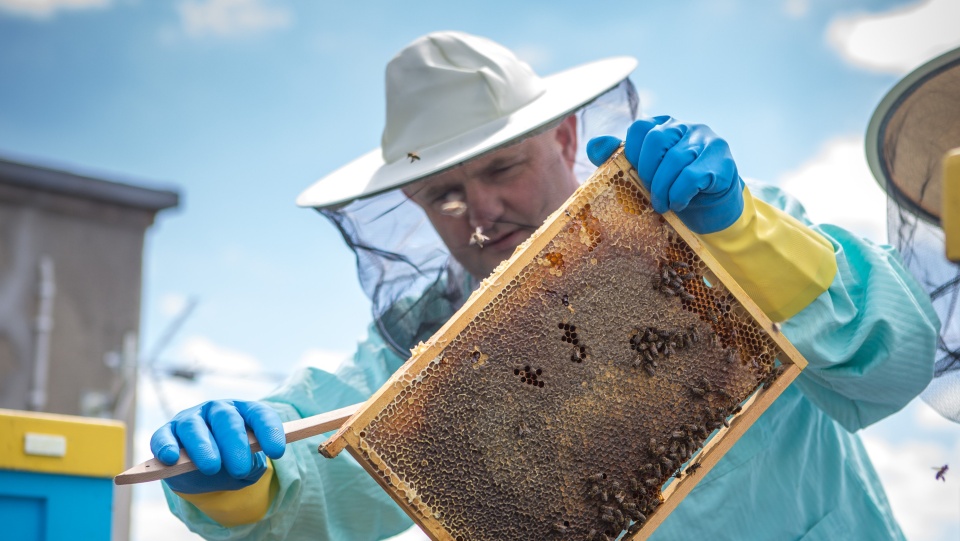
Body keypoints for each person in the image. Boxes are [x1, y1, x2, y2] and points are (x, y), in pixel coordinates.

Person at [150, 31, 939, 540]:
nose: (482, 211)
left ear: (565, 137)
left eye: (500, 169)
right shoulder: (419, 352)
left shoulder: (711, 222)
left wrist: (740, 234)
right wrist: (240, 485)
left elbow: (888, 366)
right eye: (444, 196)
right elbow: (315, 478)